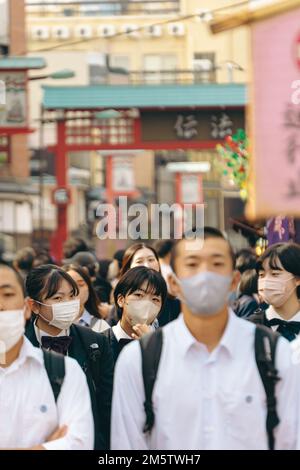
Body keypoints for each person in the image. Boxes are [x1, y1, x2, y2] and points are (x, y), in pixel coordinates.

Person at [111, 227, 299, 450]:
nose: (205, 275)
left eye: (217, 264)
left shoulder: (273, 352)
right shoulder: (139, 359)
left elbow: (290, 440)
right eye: (192, 264)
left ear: (233, 280)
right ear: (173, 283)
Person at [0, 262, 94, 450]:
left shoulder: (65, 371)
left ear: (26, 307)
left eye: (7, 294)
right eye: (58, 298)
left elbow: (78, 442)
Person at [24, 264, 113, 450]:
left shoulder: (95, 342)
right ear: (34, 306)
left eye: (72, 296)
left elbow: (107, 407)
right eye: (58, 298)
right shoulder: (19, 345)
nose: (69, 303)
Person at [102, 266, 167, 364]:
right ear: (121, 300)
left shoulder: (167, 344)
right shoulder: (100, 342)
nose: (146, 304)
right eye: (139, 295)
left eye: (155, 299)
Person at [117, 243, 180, 327]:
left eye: (151, 260)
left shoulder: (175, 306)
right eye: (139, 261)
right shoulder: (119, 307)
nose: (147, 265)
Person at [248, 243, 300, 341]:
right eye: (262, 275)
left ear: (297, 279)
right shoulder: (248, 328)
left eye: (275, 274)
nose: (266, 281)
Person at [63, 264, 110, 333]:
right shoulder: (51, 326)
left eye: (80, 284)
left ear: (89, 288)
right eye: (69, 285)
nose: (75, 290)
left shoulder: (101, 326)